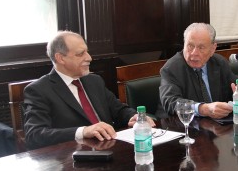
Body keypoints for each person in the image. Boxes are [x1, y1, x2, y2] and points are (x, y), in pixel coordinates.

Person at [23, 31, 154, 150]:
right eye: (80, 54)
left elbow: (118, 109)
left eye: (87, 52)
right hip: (73, 161)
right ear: (60, 58)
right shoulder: (39, 90)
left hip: (109, 148)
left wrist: (134, 117)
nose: (89, 58)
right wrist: (83, 131)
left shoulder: (94, 81)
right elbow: (35, 135)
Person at [159, 23, 238, 119]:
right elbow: (171, 102)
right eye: (190, 46)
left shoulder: (219, 63)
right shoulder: (171, 68)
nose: (194, 53)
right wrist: (203, 109)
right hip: (180, 126)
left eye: (201, 47)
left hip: (216, 126)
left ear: (212, 49)